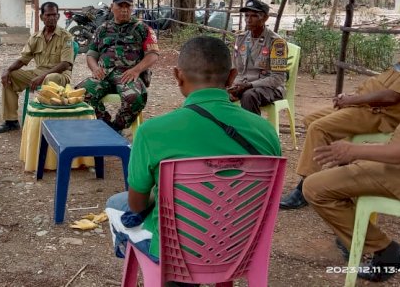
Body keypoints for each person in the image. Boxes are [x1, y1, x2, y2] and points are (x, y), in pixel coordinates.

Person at [105, 36, 281, 269]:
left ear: (178, 76)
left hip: (176, 251)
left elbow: (136, 204)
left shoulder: (152, 132)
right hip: (242, 247)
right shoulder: (266, 131)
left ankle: (170, 277)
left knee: (117, 203)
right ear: (231, 76)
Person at [302, 18, 400, 282]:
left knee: (315, 188)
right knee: (335, 174)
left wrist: (357, 152)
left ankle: (383, 250)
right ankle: (360, 238)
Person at [281, 18, 400, 209]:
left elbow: (391, 97)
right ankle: (341, 168)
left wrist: (351, 100)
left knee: (319, 128)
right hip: (364, 106)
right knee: (311, 120)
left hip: (379, 113)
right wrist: (351, 97)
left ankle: (304, 188)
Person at [78, 0, 159, 132]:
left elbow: (153, 54)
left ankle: (116, 128)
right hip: (103, 74)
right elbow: (91, 55)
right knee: (80, 95)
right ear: (112, 7)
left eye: (128, 6)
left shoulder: (142, 29)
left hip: (128, 75)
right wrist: (95, 69)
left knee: (135, 98)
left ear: (132, 8)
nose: (124, 9)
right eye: (120, 5)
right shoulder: (102, 29)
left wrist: (136, 70)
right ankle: (104, 125)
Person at [0, 1, 74, 133]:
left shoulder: (66, 37)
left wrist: (42, 77)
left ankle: (48, 123)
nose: (52, 18)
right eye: (48, 15)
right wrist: (7, 70)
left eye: (54, 15)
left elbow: (65, 64)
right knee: (11, 76)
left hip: (60, 75)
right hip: (38, 73)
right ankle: (11, 121)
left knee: (50, 78)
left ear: (58, 16)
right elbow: (23, 59)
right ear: (42, 17)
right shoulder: (36, 37)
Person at [228, 0, 289, 115]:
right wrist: (230, 87)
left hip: (270, 88)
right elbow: (235, 68)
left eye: (254, 16)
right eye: (246, 16)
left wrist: (249, 85)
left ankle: (253, 132)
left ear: (265, 18)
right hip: (243, 85)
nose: (248, 20)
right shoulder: (240, 39)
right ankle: (227, 131)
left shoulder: (276, 43)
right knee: (216, 95)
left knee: (249, 96)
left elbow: (278, 78)